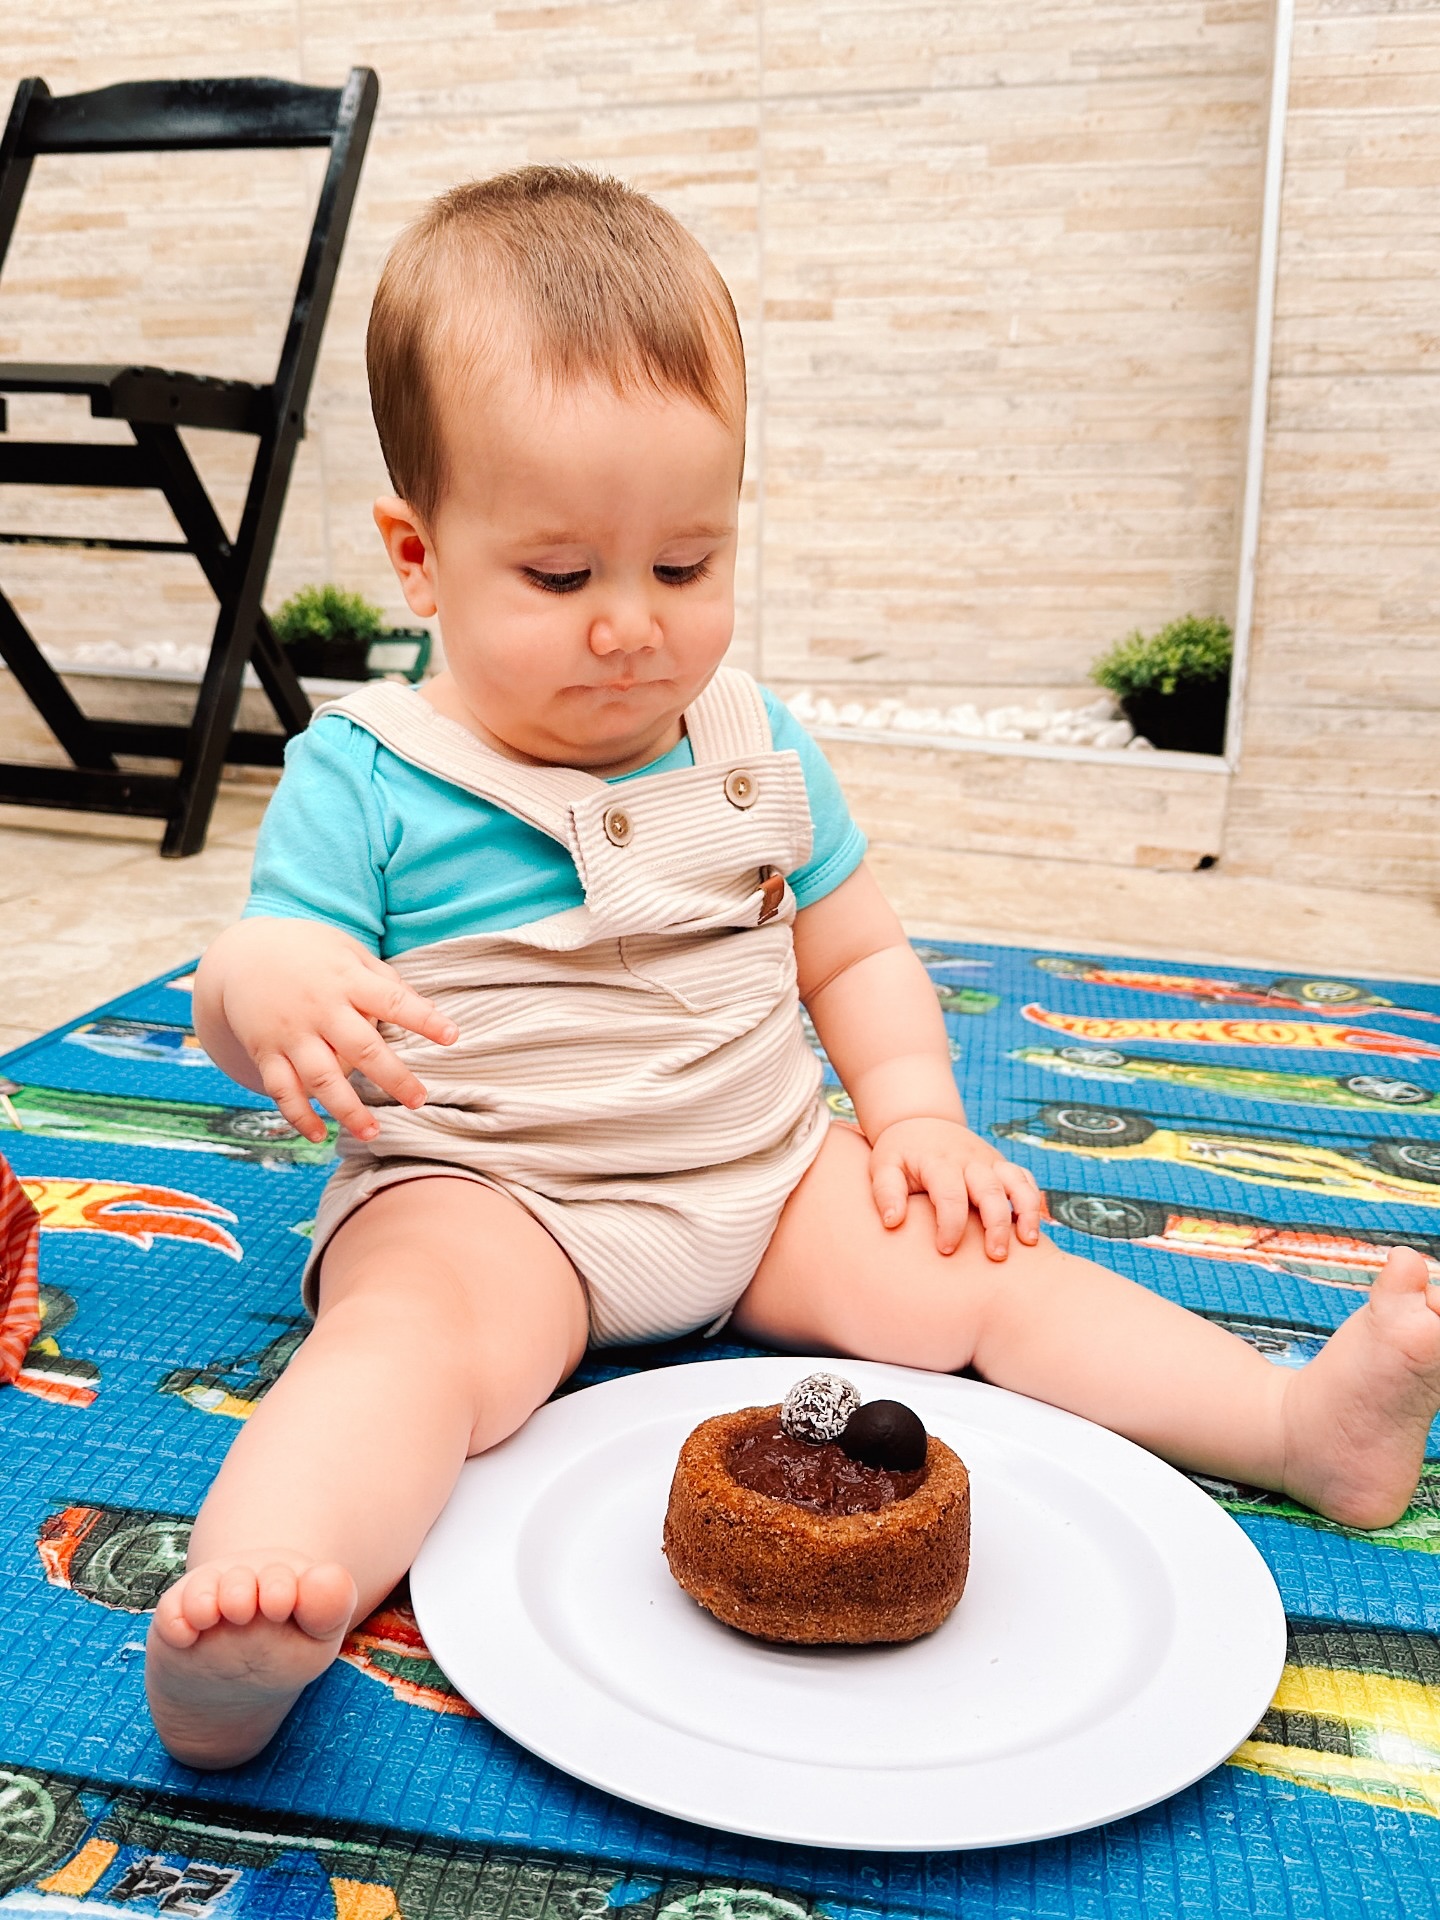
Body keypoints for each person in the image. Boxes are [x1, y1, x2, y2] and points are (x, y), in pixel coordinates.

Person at [145, 167, 1440, 1770]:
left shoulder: (752, 741)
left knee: (978, 1271)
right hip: (494, 1195)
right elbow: (259, 976)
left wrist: (914, 1117)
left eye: (686, 566)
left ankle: (1293, 1426)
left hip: (759, 1176)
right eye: (561, 577)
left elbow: (858, 945)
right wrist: (263, 980)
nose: (633, 626)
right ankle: (260, 1608)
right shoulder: (374, 771)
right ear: (419, 558)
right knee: (404, 1353)